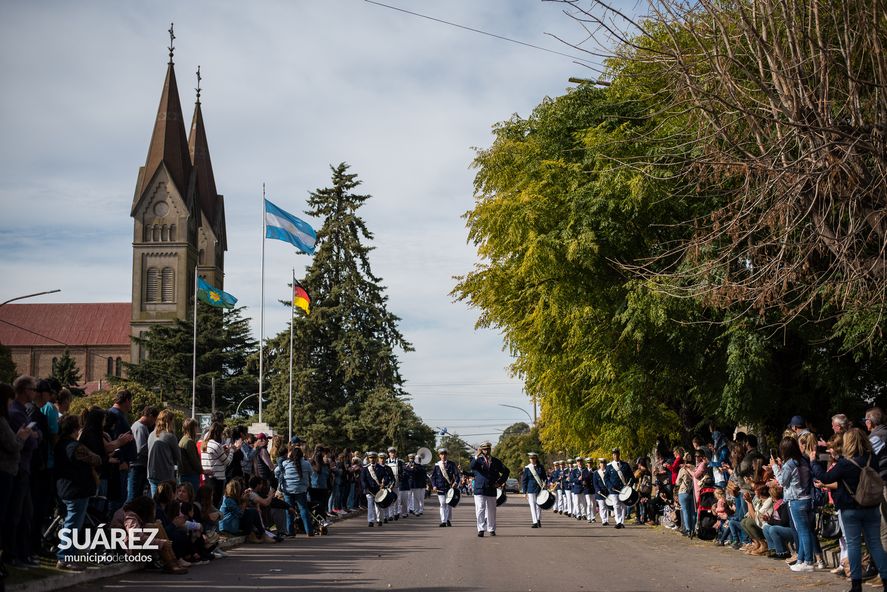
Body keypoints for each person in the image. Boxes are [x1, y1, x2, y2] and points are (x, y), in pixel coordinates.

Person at [809, 428, 887, 592]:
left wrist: (814, 462)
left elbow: (825, 478)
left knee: (853, 544)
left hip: (850, 507)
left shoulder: (845, 463)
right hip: (871, 506)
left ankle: (856, 584)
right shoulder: (871, 459)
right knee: (875, 543)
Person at [54, 414, 101, 571]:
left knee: (72, 523)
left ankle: (69, 555)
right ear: (75, 429)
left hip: (66, 489)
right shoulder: (74, 446)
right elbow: (96, 459)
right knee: (73, 525)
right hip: (76, 491)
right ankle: (64, 557)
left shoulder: (59, 443)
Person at [771, 436, 816, 572]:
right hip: (807, 498)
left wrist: (774, 467)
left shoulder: (789, 464)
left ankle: (808, 562)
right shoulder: (803, 460)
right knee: (803, 531)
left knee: (803, 532)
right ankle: (801, 559)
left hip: (796, 500)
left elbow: (782, 481)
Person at [469, 441, 509, 537]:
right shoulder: (477, 460)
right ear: (481, 450)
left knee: (491, 510)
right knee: (480, 508)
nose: (486, 450)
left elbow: (506, 471)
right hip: (480, 488)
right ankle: (481, 529)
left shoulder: (495, 461)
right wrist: (476, 455)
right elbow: (472, 466)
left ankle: (491, 529)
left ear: (490, 449)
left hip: (491, 488)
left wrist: (499, 482)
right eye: (484, 449)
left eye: (488, 449)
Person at [277, 445, 314, 536]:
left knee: (289, 510)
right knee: (303, 509)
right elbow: (311, 473)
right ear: (302, 455)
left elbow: (276, 471)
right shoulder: (306, 463)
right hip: (301, 490)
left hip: (288, 490)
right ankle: (309, 531)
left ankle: (291, 532)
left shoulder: (285, 463)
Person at [128, 406, 158, 501]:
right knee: (133, 495)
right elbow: (140, 449)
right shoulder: (140, 427)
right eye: (154, 419)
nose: (154, 422)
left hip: (139, 466)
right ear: (149, 416)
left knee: (137, 495)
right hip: (137, 466)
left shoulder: (142, 427)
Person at [148, 409, 181, 496]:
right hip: (165, 475)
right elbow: (178, 457)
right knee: (167, 503)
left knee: (155, 501)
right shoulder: (169, 436)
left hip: (152, 473)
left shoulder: (151, 435)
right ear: (169, 421)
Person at [201, 422, 235, 507]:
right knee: (216, 504)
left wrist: (222, 450)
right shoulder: (216, 445)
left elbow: (213, 456)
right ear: (219, 433)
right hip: (217, 478)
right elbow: (227, 462)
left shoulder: (205, 443)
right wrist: (231, 451)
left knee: (208, 503)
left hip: (207, 477)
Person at [604, 448, 634, 529]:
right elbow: (606, 478)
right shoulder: (609, 466)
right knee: (616, 505)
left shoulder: (625, 465)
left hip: (624, 489)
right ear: (612, 455)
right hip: (613, 489)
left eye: (617, 454)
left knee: (623, 506)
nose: (615, 456)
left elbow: (631, 476)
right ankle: (618, 522)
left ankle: (622, 522)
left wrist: (630, 484)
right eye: (614, 454)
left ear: (619, 455)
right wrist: (610, 486)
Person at [431, 448, 460, 527]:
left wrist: (456, 482)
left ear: (446, 455)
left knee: (449, 504)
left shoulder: (451, 464)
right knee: (442, 503)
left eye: (444, 454)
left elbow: (457, 475)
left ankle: (448, 519)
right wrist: (434, 485)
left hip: (449, 487)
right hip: (440, 487)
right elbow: (433, 477)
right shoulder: (437, 465)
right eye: (441, 454)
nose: (443, 456)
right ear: (439, 455)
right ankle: (443, 521)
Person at [521, 452, 547, 528]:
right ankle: (534, 522)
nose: (532, 460)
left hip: (539, 488)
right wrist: (524, 491)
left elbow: (544, 477)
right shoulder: (527, 468)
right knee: (532, 505)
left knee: (539, 505)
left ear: (536, 459)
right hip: (531, 489)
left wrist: (545, 483)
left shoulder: (541, 467)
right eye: (531, 458)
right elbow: (524, 480)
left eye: (533, 458)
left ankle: (538, 519)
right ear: (529, 459)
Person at [360, 451, 386, 527]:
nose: (372, 459)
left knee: (378, 505)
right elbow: (363, 479)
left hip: (378, 490)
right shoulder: (365, 468)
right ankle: (371, 521)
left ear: (376, 458)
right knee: (370, 505)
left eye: (374, 458)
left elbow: (386, 477)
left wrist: (384, 483)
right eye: (370, 458)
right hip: (369, 490)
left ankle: (379, 519)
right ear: (368, 458)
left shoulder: (381, 468)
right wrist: (365, 487)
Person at [179, 418, 201, 492]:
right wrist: (202, 471)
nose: (197, 429)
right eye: (196, 427)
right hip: (190, 475)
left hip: (184, 474)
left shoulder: (183, 439)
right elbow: (194, 461)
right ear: (192, 428)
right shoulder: (189, 442)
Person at [592, 458, 610, 526]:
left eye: (604, 463)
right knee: (602, 506)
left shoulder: (608, 471)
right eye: (601, 463)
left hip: (607, 491)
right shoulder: (596, 473)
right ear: (599, 464)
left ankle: (606, 520)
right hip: (600, 492)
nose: (602, 465)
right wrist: (597, 490)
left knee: (607, 506)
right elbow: (595, 483)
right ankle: (604, 520)